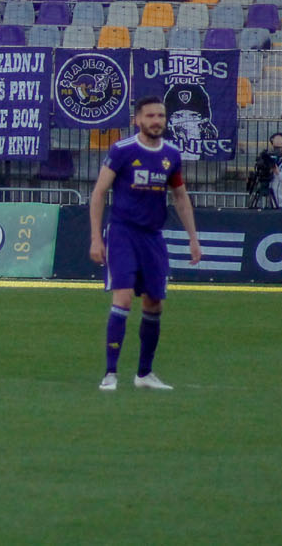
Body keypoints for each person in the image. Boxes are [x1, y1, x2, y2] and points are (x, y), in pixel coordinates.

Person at [89, 96, 202, 392]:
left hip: (153, 236)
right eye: (150, 116)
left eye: (161, 116)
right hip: (123, 233)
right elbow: (99, 192)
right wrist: (96, 238)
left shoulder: (171, 154)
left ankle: (144, 374)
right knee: (124, 298)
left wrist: (193, 238)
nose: (156, 121)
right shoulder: (122, 150)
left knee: (154, 302)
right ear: (138, 119)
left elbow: (180, 197)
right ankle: (110, 373)